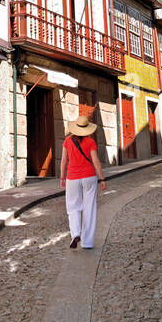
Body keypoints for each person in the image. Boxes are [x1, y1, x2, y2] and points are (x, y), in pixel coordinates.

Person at [60, 104, 105, 250]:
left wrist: (62, 177)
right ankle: (87, 243)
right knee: (89, 208)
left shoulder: (67, 141)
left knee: (73, 208)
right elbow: (96, 161)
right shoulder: (90, 142)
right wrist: (102, 178)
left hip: (72, 177)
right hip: (89, 177)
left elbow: (64, 161)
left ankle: (75, 233)